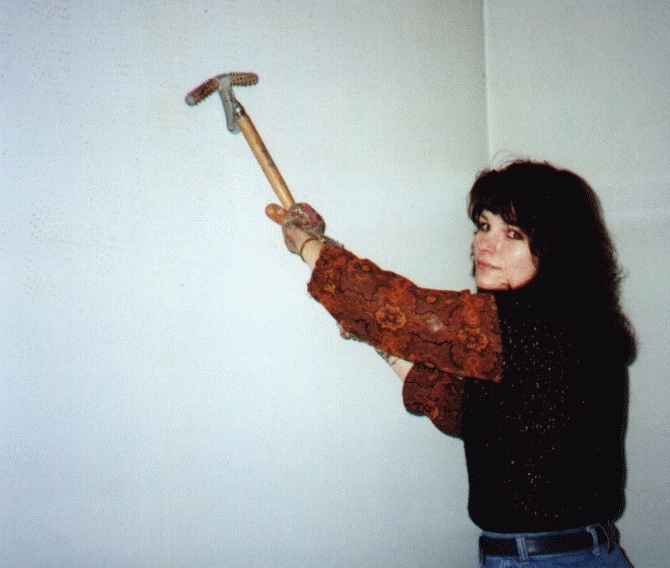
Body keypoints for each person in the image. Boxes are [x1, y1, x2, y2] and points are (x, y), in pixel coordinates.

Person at [271, 159, 637, 567]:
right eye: (484, 226)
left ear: (557, 250)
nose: (485, 245)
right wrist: (377, 336)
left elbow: (398, 310)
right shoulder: (571, 327)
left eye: (513, 234)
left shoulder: (528, 323)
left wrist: (308, 245)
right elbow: (463, 412)